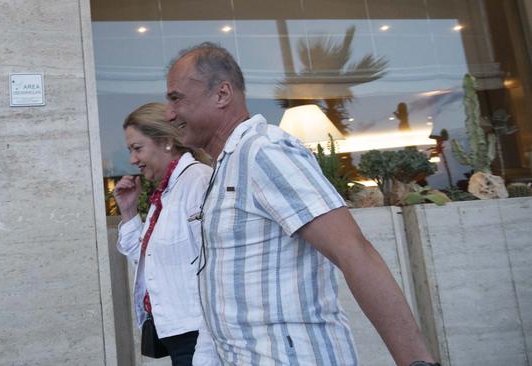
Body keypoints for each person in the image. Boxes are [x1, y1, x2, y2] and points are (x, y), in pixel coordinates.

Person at [165, 42, 440, 366]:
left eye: (176, 98)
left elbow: (354, 251)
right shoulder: (225, 167)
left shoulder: (264, 151)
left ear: (222, 94)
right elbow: (220, 300)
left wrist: (417, 363)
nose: (169, 114)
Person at [113, 102, 218, 365]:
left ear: (166, 142)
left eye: (138, 148)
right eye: (130, 150)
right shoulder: (166, 193)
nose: (132, 159)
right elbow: (151, 261)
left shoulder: (197, 182)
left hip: (200, 337)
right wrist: (128, 212)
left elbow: (214, 265)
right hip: (177, 335)